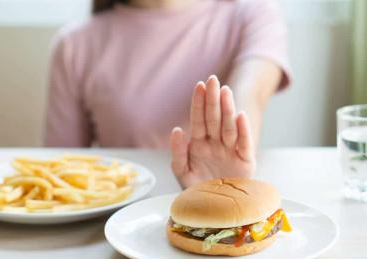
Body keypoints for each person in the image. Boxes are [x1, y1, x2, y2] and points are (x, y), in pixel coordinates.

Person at [45, 0, 291, 188]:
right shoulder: (74, 44)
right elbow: (60, 169)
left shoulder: (252, 15)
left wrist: (225, 169)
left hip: (219, 197)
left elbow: (249, 95)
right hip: (118, 219)